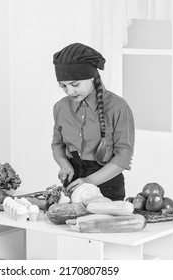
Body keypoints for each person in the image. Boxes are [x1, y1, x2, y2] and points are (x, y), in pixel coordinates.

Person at [51, 42, 135, 201]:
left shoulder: (118, 108)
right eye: (63, 86)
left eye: (75, 84)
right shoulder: (61, 107)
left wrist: (89, 181)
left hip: (107, 186)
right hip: (73, 184)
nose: (69, 91)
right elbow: (57, 145)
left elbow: (123, 156)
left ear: (92, 77)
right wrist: (64, 164)